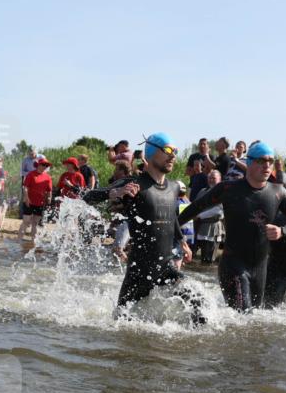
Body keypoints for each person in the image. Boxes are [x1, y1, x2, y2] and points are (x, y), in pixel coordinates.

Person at [82, 132, 202, 324]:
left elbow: (171, 218)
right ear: (152, 152)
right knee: (120, 322)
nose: (173, 156)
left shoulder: (173, 188)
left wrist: (182, 242)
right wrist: (116, 192)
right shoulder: (134, 183)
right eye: (169, 150)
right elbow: (89, 197)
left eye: (176, 151)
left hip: (165, 267)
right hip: (139, 270)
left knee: (198, 302)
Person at [178, 141, 286, 312]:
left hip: (260, 267)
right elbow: (193, 209)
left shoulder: (278, 192)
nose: (267, 166)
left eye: (270, 161)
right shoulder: (228, 189)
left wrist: (283, 231)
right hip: (233, 265)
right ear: (249, 163)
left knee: (254, 323)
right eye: (262, 161)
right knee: (243, 317)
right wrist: (174, 234)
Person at [194, 169, 224, 264]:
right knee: (197, 257)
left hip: (213, 227)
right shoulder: (202, 191)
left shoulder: (222, 191)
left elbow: (219, 211)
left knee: (209, 260)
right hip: (199, 227)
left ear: (220, 179)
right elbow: (195, 206)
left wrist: (199, 215)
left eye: (214, 178)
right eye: (210, 178)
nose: (211, 180)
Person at [19, 157, 52, 241]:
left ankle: (33, 241)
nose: (44, 167)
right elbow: (25, 187)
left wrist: (49, 198)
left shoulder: (48, 177)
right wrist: (26, 198)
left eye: (46, 165)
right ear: (38, 165)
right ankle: (19, 240)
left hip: (40, 202)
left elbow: (49, 190)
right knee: (26, 221)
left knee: (35, 223)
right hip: (29, 201)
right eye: (43, 165)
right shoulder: (31, 174)